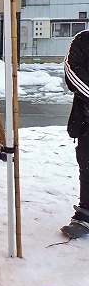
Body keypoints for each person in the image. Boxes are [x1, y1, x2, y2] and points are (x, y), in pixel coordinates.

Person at [62, 29, 89, 238]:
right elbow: (72, 73)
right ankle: (85, 214)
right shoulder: (82, 40)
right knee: (87, 164)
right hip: (87, 118)